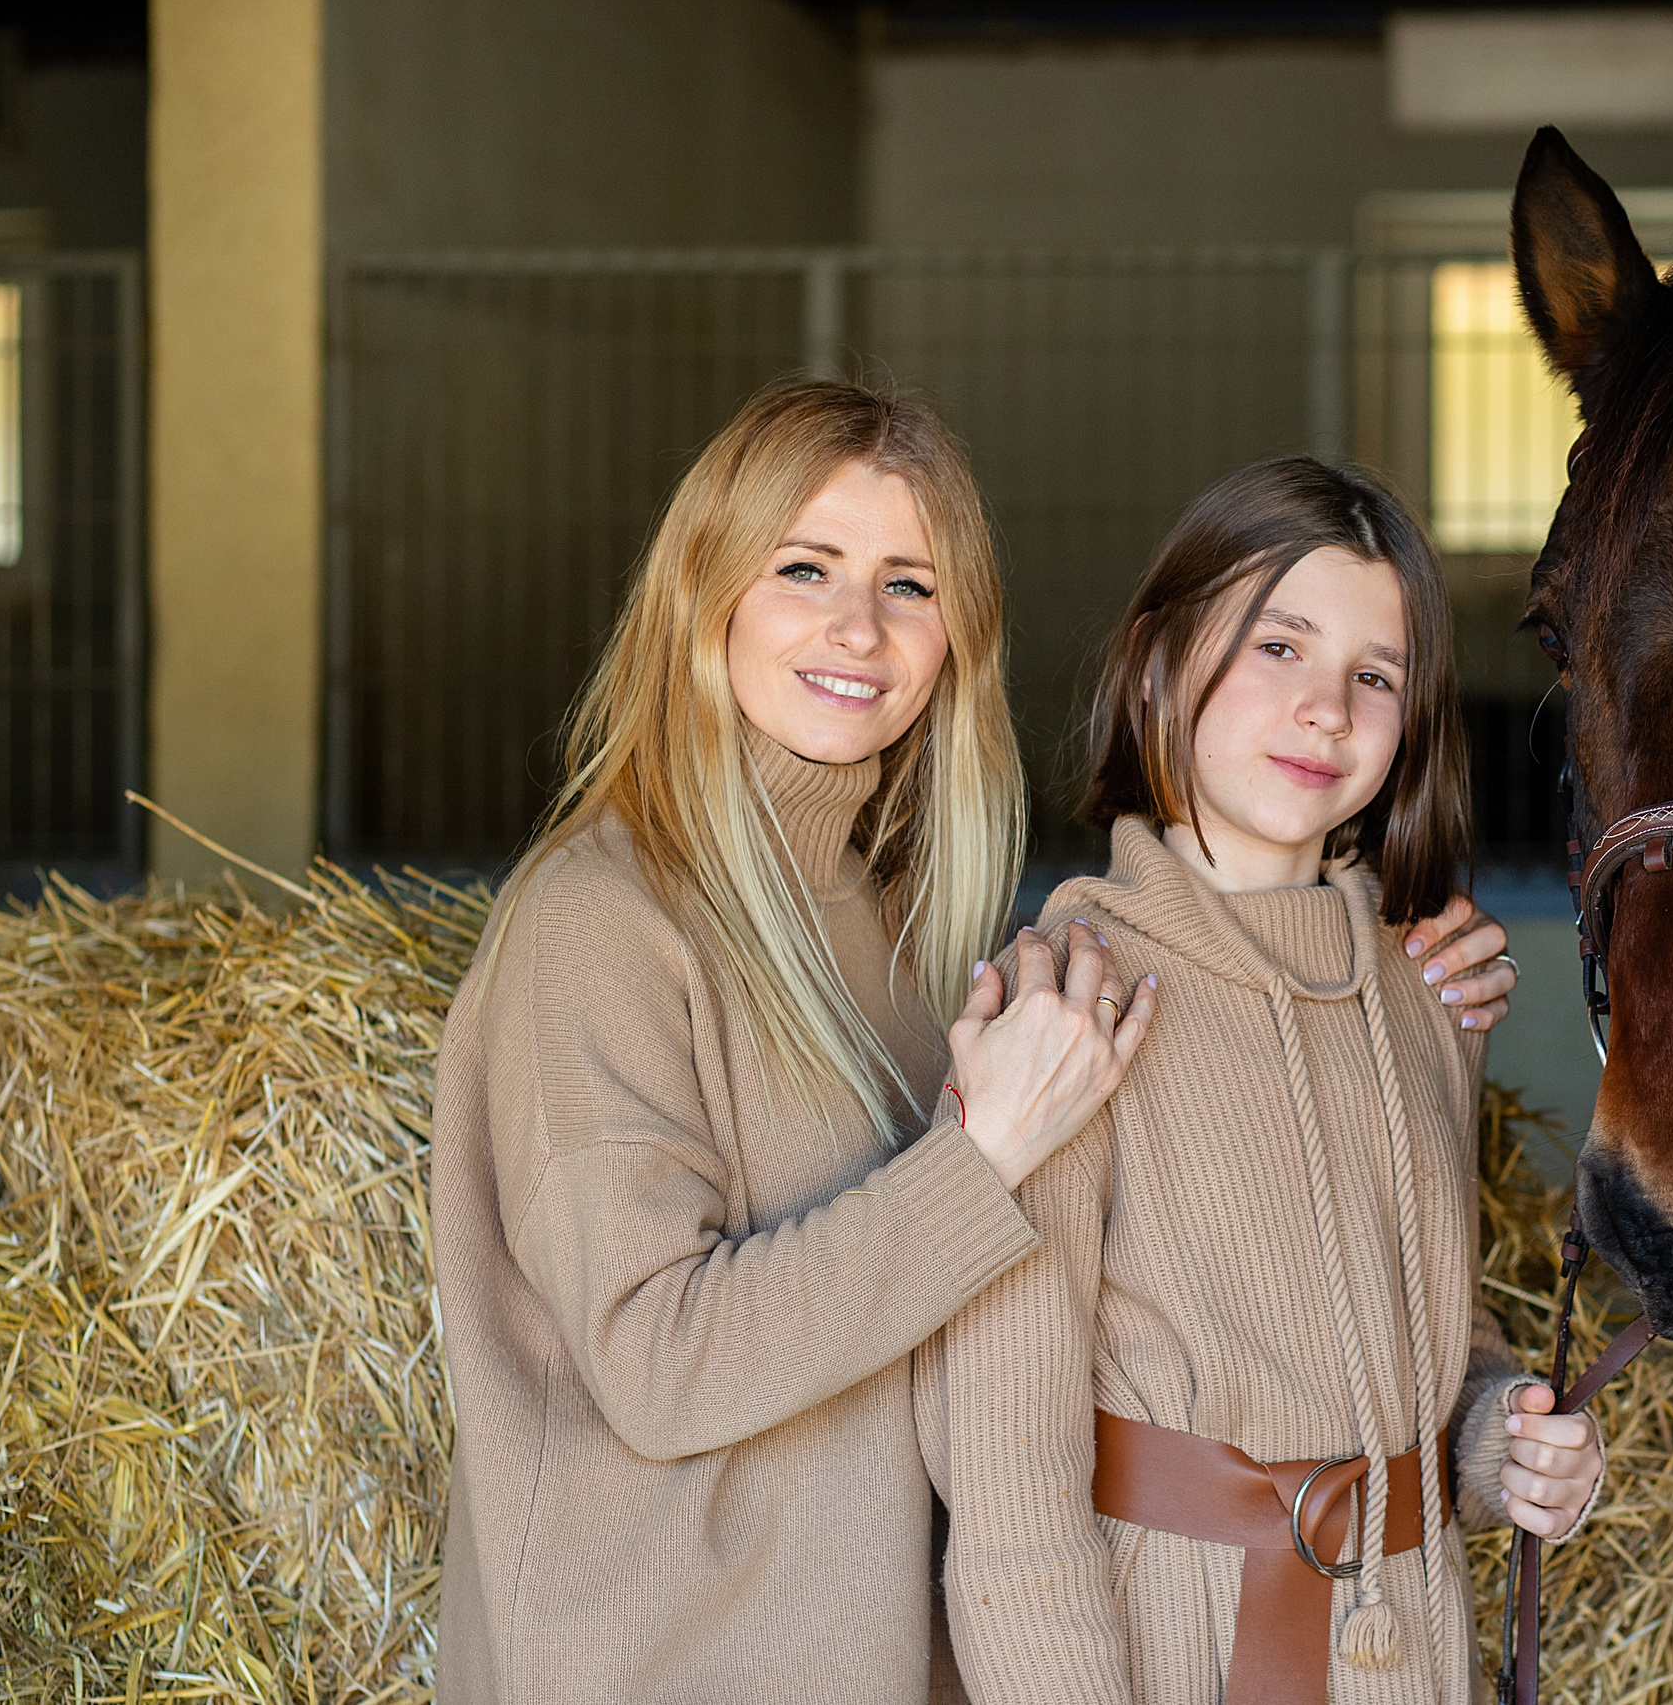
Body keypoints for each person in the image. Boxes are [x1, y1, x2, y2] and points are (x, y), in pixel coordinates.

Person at [429, 382, 1517, 1702]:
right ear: (704, 586)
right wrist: (980, 1159)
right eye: (806, 567)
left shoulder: (916, 934)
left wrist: (1382, 984)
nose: (860, 625)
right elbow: (659, 1366)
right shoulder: (598, 920)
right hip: (664, 1667)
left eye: (911, 584)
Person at [923, 457, 1604, 1705]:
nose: (1325, 709)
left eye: (1376, 675)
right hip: (1172, 1652)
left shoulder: (1428, 995)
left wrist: (1501, 1439)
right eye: (1277, 647)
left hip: (1414, 1653)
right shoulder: (1065, 1006)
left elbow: (1428, 1335)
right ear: (1156, 664)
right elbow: (1008, 1484)